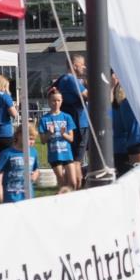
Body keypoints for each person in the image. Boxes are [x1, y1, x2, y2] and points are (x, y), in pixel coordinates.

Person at [56, 54, 89, 188]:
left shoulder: (61, 79)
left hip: (72, 121)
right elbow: (88, 95)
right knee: (77, 160)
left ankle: (70, 186)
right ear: (75, 66)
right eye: (82, 65)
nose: (84, 67)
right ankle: (77, 188)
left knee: (73, 159)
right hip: (80, 122)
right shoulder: (71, 80)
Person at [0, 124, 39, 203]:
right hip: (11, 195)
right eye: (29, 139)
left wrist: (35, 175)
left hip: (28, 195)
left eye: (33, 139)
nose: (32, 142)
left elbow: (36, 169)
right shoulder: (7, 153)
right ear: (19, 135)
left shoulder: (33, 152)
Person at [39, 88, 76, 192]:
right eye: (53, 100)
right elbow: (42, 140)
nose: (56, 103)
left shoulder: (67, 117)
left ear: (62, 101)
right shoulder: (44, 119)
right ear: (49, 102)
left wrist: (64, 134)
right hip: (54, 155)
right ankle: (63, 203)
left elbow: (71, 139)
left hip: (67, 153)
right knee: (62, 181)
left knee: (73, 182)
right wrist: (49, 133)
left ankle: (70, 199)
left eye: (58, 100)